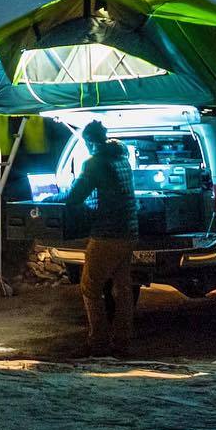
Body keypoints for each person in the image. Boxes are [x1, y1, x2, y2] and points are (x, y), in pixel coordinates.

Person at [63, 120, 139, 357]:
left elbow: (74, 197)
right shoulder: (122, 159)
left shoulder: (94, 163)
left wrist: (48, 198)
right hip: (129, 231)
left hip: (106, 234)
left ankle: (97, 342)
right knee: (123, 288)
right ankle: (122, 342)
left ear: (88, 141)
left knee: (90, 287)